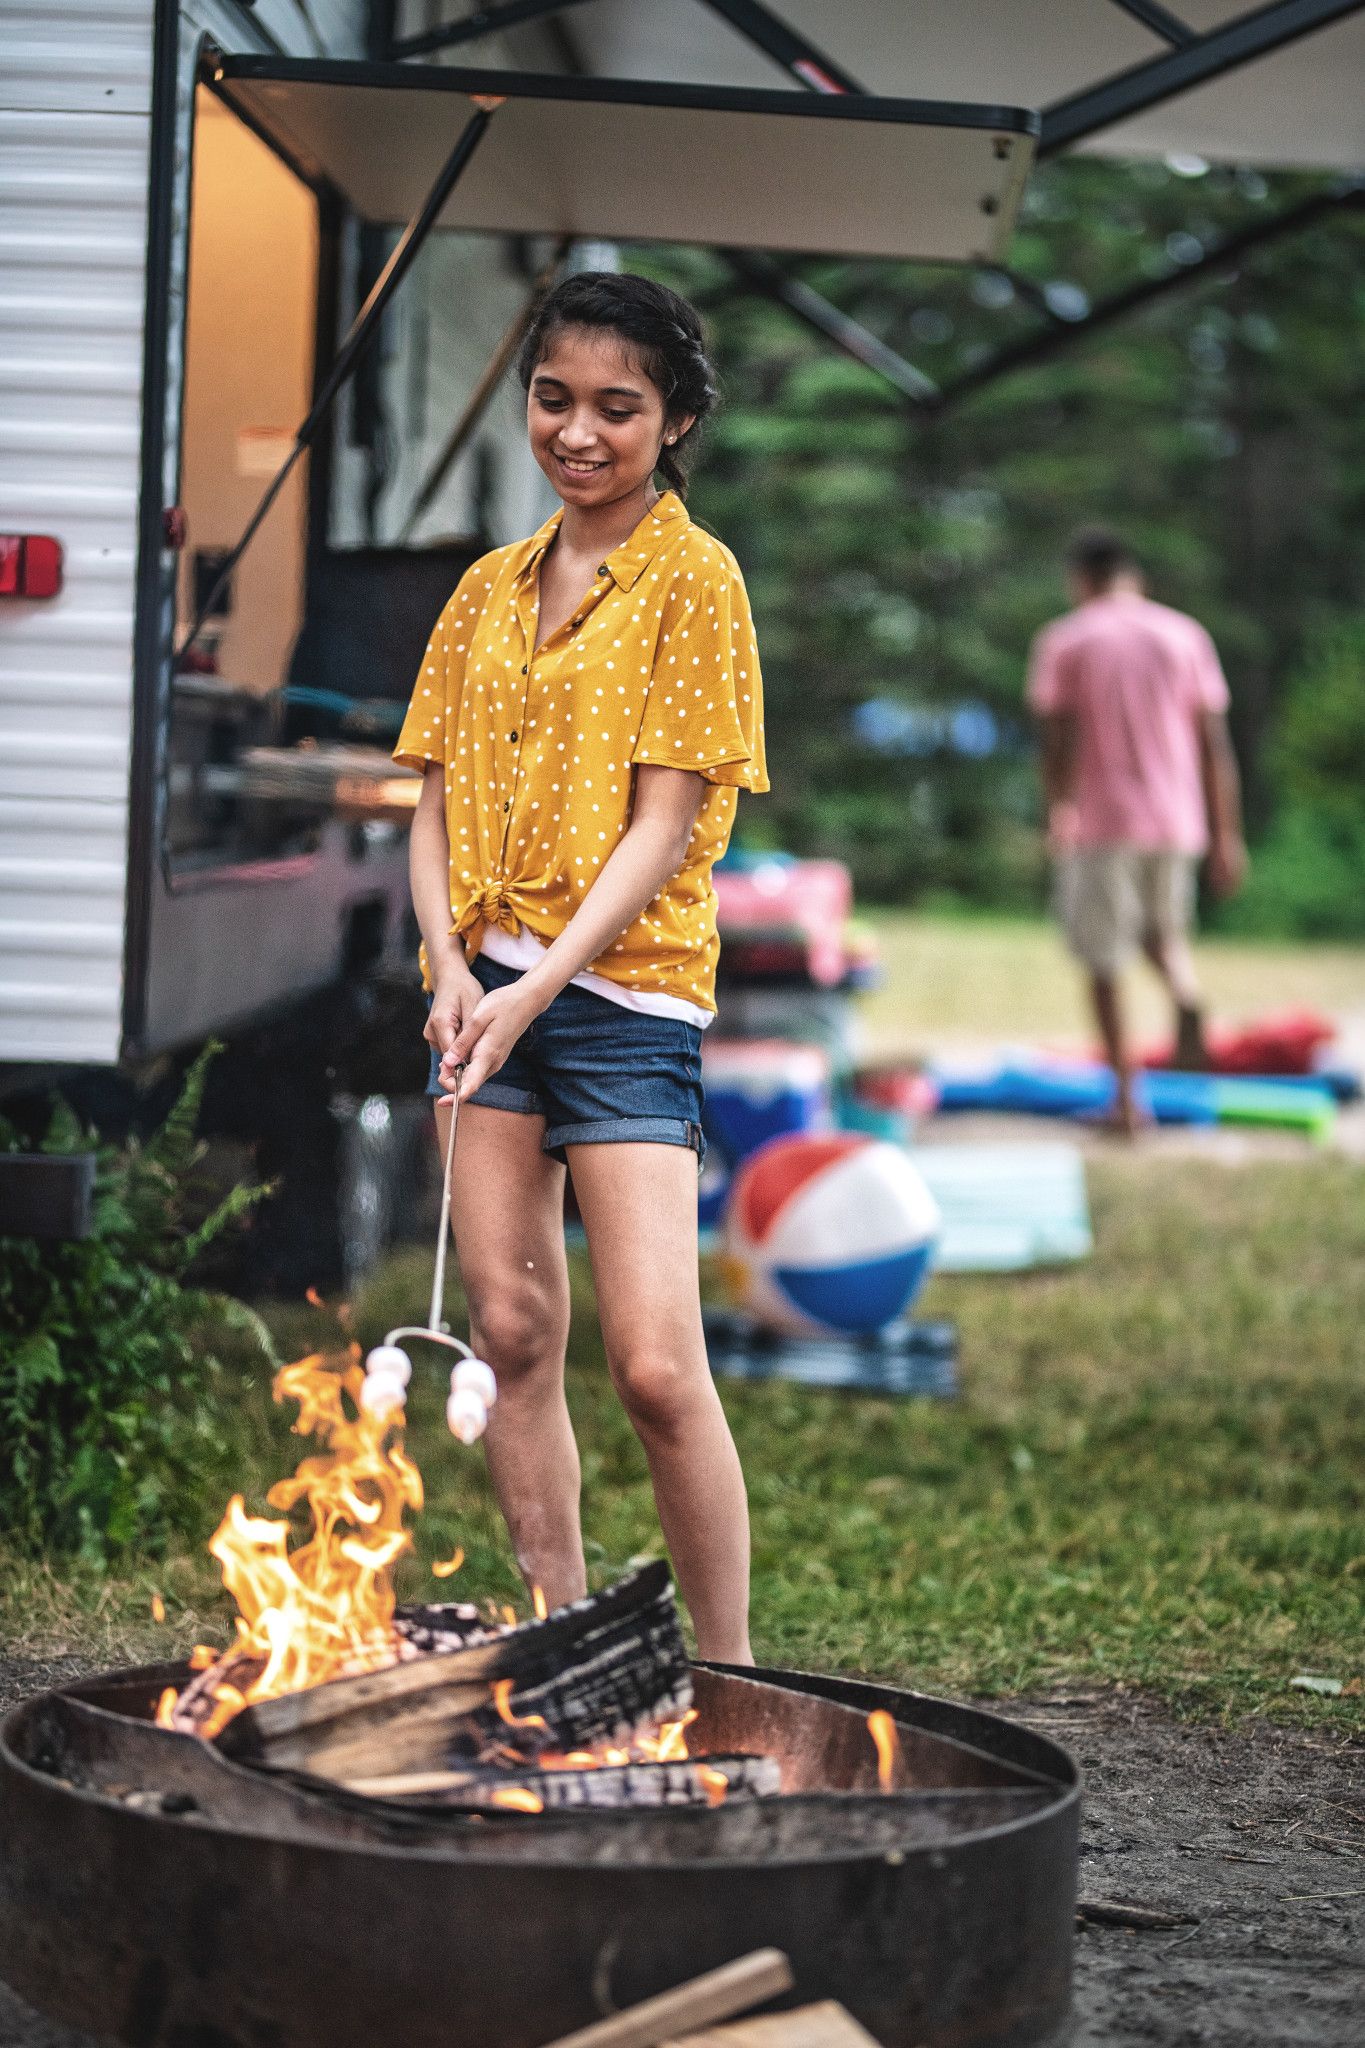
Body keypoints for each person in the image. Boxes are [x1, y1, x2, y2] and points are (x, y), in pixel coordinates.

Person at [393, 273, 767, 1661]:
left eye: (619, 408)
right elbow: (429, 798)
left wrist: (528, 990)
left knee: (659, 1369)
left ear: (672, 423)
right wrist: (445, 966)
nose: (580, 432)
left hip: (619, 1004)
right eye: (556, 399)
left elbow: (664, 823)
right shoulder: (488, 587)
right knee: (507, 1329)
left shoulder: (695, 580)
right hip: (475, 994)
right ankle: (561, 1643)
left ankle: (727, 1678)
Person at [1027, 528, 1247, 1133]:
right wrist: (1228, 836)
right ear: (1134, 577)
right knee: (1163, 935)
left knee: (1103, 959)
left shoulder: (1067, 640)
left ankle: (1127, 1104)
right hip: (1179, 818)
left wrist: (1057, 808)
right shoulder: (1185, 635)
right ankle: (1185, 992)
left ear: (1082, 579)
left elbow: (1058, 738)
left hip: (1103, 819)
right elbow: (1214, 746)